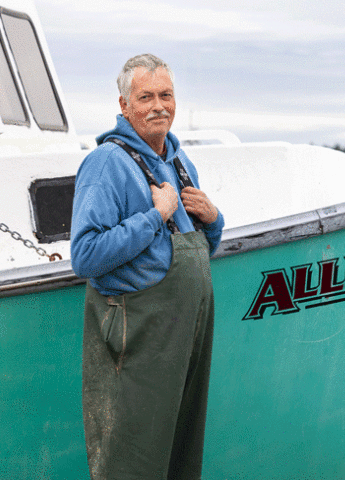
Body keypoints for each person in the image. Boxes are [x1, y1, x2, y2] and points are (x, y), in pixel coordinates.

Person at [71, 53, 225, 479]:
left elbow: (199, 249)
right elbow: (84, 255)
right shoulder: (107, 164)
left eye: (166, 95)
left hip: (184, 333)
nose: (159, 106)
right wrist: (154, 216)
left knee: (179, 455)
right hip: (137, 341)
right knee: (132, 463)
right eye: (145, 97)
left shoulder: (180, 162)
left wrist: (214, 218)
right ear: (124, 106)